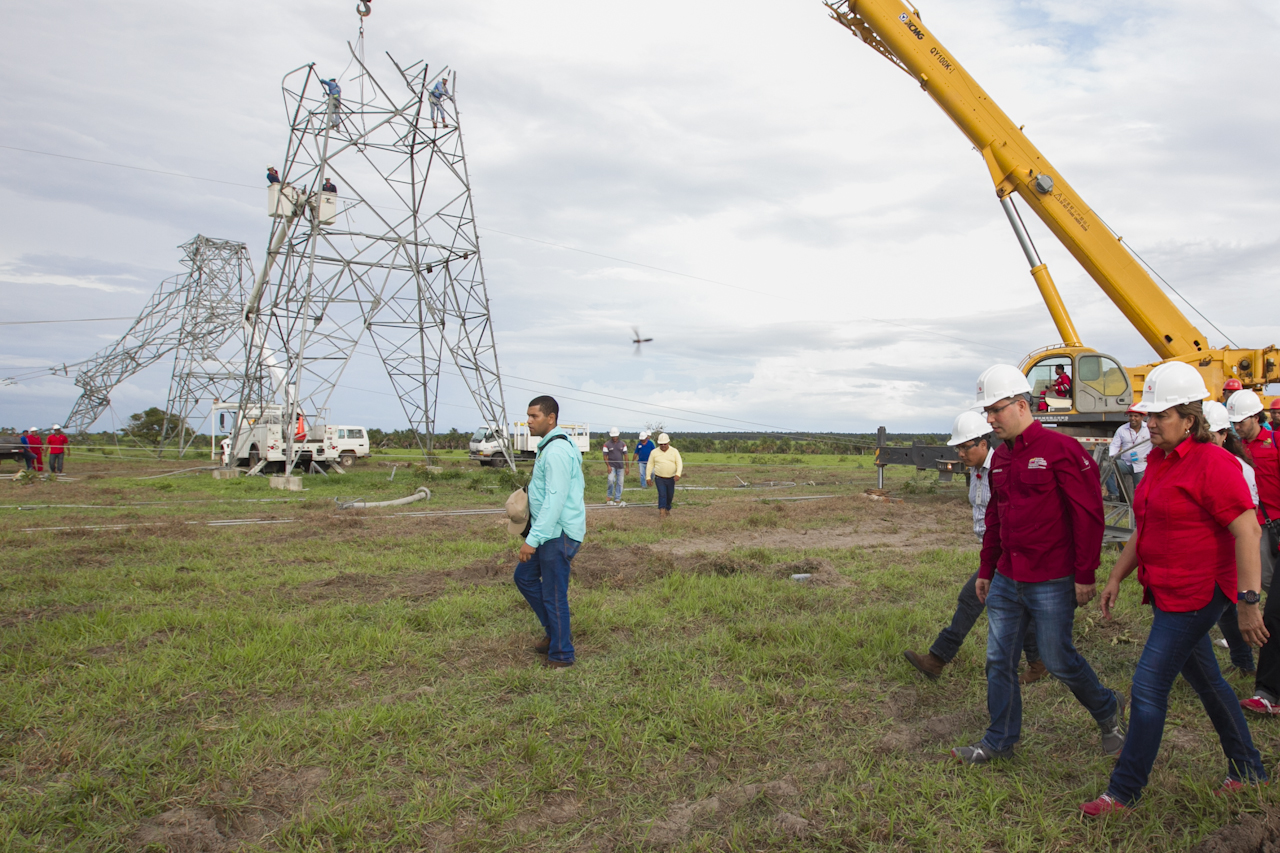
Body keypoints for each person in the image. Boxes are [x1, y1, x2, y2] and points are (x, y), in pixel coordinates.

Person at [1080, 362, 1268, 816]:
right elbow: (1145, 527)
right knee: (1208, 681)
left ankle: (1123, 792)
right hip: (1165, 590)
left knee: (1147, 687)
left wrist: (1248, 603)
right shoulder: (1160, 462)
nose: (1150, 423)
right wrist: (1116, 576)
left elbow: (1248, 532)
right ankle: (1248, 768)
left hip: (1199, 594)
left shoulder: (1215, 464)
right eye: (1148, 415)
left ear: (1190, 418)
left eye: (1160, 416)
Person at [952, 364, 1124, 765]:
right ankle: (999, 741)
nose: (990, 419)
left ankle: (1106, 709)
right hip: (1008, 578)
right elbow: (995, 518)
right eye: (987, 413)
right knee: (999, 660)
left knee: (1058, 659)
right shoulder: (999, 461)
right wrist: (986, 569)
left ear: (1022, 405)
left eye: (996, 410)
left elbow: (1089, 516)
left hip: (1052, 578)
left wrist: (1085, 574)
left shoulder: (1063, 452)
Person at [903, 411, 1046, 685]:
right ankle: (1040, 663)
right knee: (1022, 606)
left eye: (965, 447)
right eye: (957, 447)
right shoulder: (976, 471)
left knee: (971, 599)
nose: (960, 453)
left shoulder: (1004, 469)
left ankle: (937, 659)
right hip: (993, 551)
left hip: (1008, 552)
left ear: (983, 444)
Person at [513, 395, 586, 669]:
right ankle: (556, 634)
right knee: (525, 578)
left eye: (534, 416)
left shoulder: (555, 452)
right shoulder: (552, 446)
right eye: (528, 416)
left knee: (554, 594)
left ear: (551, 418)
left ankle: (562, 655)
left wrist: (531, 541)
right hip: (550, 532)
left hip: (560, 533)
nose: (528, 421)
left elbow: (555, 502)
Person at [1225, 390, 1280, 716]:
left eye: (1241, 422)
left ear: (1256, 417)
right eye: (1232, 423)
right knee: (1258, 585)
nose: (1237, 428)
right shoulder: (1237, 447)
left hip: (1277, 523)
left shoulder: (1274, 444)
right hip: (1255, 524)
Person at [1204, 401, 1260, 676]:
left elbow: (1248, 523)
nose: (1208, 441)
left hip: (1227, 552)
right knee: (1225, 614)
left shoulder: (1240, 469)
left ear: (1224, 435)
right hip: (1207, 552)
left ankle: (1235, 665)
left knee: (1217, 612)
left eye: (1213, 435)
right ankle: (1243, 662)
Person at [1106, 407, 1150, 500]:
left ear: (1142, 417)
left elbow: (1157, 443)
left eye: (1136, 416)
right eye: (1130, 416)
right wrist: (1111, 457)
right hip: (1126, 463)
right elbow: (1115, 445)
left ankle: (1138, 510)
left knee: (1140, 492)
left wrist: (1153, 456)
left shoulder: (1149, 429)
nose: (1133, 418)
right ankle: (1114, 494)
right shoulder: (1122, 429)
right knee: (1107, 467)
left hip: (1141, 465)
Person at [645, 434, 683, 519]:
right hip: (659, 478)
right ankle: (662, 511)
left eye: (665, 444)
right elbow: (650, 465)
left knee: (670, 495)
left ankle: (667, 509)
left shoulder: (674, 451)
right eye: (661, 444)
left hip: (671, 478)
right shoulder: (654, 452)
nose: (663, 446)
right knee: (662, 494)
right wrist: (648, 477)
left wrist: (678, 474)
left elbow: (679, 463)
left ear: (668, 443)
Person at [601, 428, 628, 506]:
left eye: (615, 436)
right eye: (613, 436)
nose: (614, 438)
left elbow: (626, 456)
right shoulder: (607, 444)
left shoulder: (623, 444)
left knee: (620, 483)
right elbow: (605, 456)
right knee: (610, 480)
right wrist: (608, 466)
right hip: (611, 466)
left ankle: (617, 498)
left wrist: (627, 467)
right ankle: (609, 495)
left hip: (620, 467)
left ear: (618, 435)